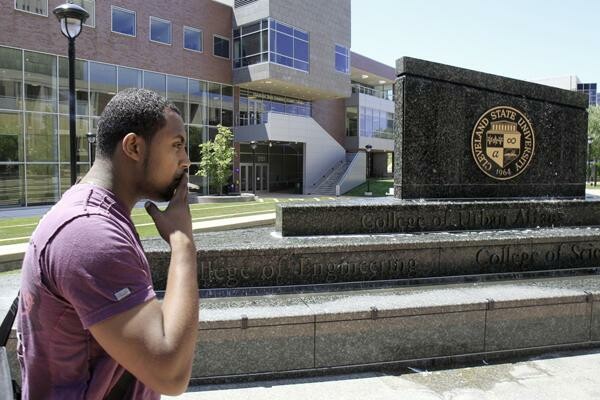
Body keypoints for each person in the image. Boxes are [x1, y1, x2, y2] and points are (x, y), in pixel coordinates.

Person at [17, 88, 198, 398]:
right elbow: (171, 373)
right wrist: (182, 244)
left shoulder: (94, 217)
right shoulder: (89, 234)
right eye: (177, 145)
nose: (186, 161)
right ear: (134, 147)